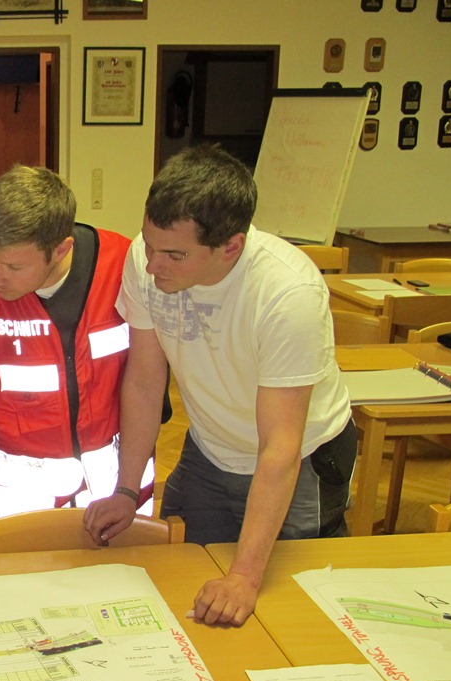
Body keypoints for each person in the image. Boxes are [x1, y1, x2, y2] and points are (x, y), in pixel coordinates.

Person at [86, 144, 356, 627]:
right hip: (209, 449)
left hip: (300, 462)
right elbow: (146, 382)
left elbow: (280, 446)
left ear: (231, 246)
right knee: (182, 583)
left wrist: (246, 577)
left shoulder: (286, 293)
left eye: (173, 255)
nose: (152, 266)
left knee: (288, 611)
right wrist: (128, 489)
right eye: (149, 245)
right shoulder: (145, 261)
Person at [0, 166, 154, 577]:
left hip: (117, 485)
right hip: (15, 492)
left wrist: (129, 486)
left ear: (61, 249)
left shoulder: (127, 265)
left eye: (13, 267)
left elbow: (149, 379)